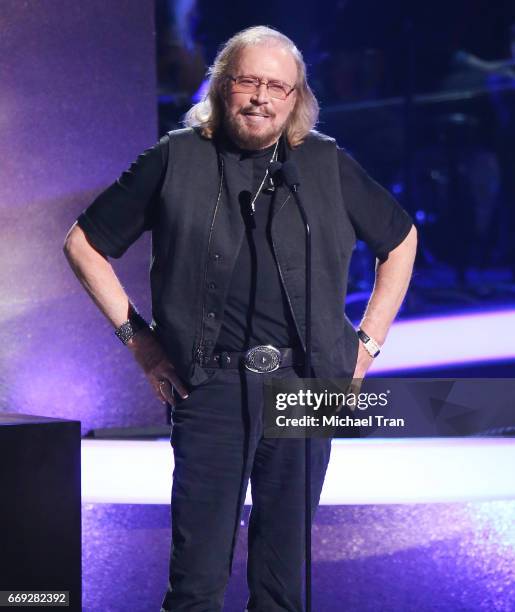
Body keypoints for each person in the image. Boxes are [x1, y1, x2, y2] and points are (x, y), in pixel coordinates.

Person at [63, 25, 417, 612]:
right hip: (210, 386)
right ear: (223, 85)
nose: (261, 97)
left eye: (278, 86)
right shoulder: (175, 157)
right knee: (196, 583)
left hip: (308, 386)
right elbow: (83, 243)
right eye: (248, 81)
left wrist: (368, 344)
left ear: (296, 97)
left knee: (284, 587)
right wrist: (140, 342)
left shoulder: (324, 162)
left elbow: (400, 239)